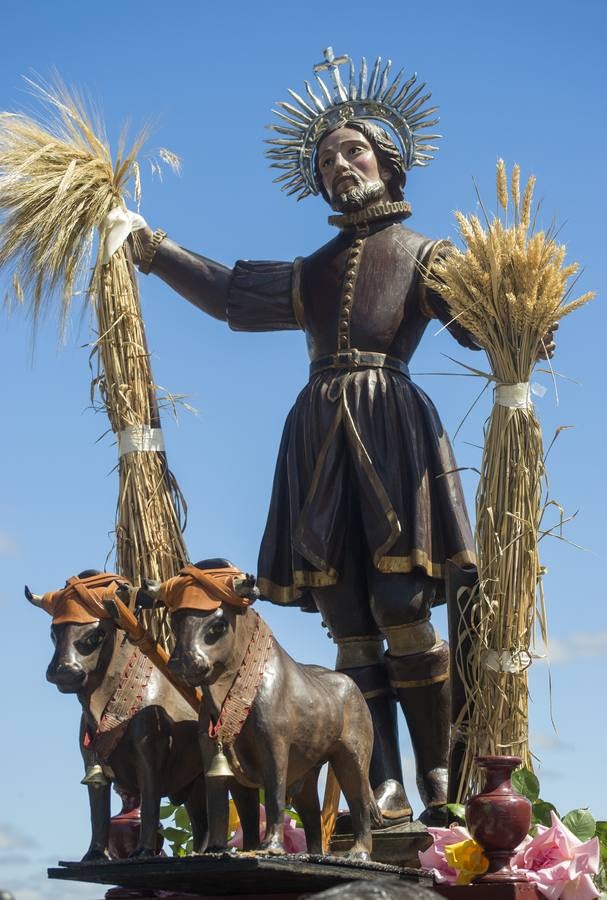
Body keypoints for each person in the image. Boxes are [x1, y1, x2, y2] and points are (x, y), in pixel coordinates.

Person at [129, 50, 554, 825]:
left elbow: (476, 325)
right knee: (348, 615)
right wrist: (152, 250)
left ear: (388, 164)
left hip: (392, 429)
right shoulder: (311, 270)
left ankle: (435, 777)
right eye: (326, 160)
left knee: (400, 602)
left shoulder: (427, 254)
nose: (338, 165)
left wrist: (518, 325)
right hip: (318, 439)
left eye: (351, 151)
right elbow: (228, 294)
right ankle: (380, 780)